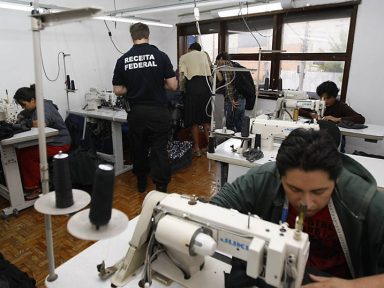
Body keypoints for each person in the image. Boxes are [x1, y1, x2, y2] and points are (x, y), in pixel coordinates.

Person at [211, 128, 384, 287]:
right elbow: (212, 210)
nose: (306, 203)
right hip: (273, 276)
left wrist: (353, 286)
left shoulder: (366, 203)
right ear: (280, 176)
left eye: (318, 191)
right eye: (294, 189)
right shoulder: (264, 179)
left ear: (337, 179)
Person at [112, 22, 177, 193]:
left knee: (138, 148)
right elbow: (172, 85)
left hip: (136, 113)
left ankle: (141, 181)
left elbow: (118, 90)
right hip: (158, 112)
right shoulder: (161, 56)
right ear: (148, 35)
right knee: (159, 149)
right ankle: (161, 186)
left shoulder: (123, 60)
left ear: (132, 37)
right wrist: (156, 84)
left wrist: (132, 88)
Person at [14, 84, 71, 200]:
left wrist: (25, 123)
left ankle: (35, 188)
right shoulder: (36, 106)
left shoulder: (45, 107)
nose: (23, 108)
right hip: (49, 142)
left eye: (24, 105)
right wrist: (21, 117)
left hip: (60, 143)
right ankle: (26, 183)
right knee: (19, 151)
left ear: (33, 100)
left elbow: (41, 123)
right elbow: (26, 114)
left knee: (28, 156)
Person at [179, 42, 212, 157]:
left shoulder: (184, 57)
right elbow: (210, 75)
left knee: (194, 122)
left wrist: (182, 90)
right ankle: (210, 148)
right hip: (205, 89)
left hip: (192, 89)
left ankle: (197, 149)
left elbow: (182, 77)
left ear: (189, 49)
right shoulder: (204, 55)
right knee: (206, 120)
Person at [300, 81, 365, 124]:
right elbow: (298, 110)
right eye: (322, 98)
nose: (324, 101)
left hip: (334, 136)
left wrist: (337, 119)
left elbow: (361, 119)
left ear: (334, 96)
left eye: (327, 98)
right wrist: (310, 114)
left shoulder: (341, 106)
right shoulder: (315, 103)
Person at [215, 52, 245, 132]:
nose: (217, 64)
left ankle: (231, 142)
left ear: (221, 59)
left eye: (217, 61)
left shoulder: (226, 66)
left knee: (230, 124)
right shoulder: (234, 65)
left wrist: (231, 100)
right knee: (240, 123)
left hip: (234, 99)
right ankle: (241, 143)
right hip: (241, 97)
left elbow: (229, 84)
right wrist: (218, 71)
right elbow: (222, 80)